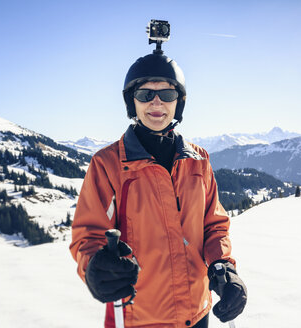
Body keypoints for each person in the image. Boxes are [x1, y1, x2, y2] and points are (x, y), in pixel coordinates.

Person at [69, 49, 247, 328]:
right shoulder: (108, 164)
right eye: (145, 95)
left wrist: (223, 266)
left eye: (167, 94)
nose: (156, 103)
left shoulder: (198, 161)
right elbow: (88, 236)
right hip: (137, 316)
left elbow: (214, 226)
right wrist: (94, 266)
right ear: (132, 102)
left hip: (197, 312)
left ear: (179, 102)